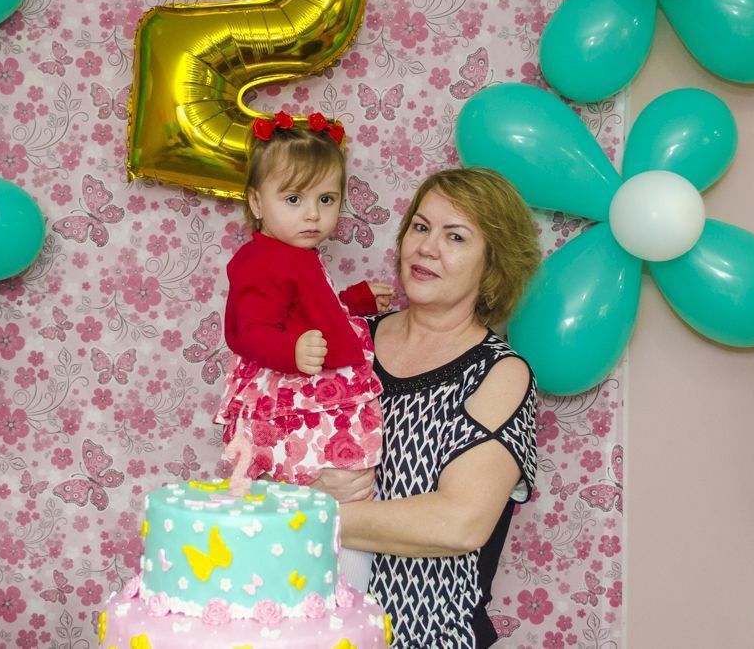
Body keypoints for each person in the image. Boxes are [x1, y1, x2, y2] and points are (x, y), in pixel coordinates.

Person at [315, 167, 542, 648]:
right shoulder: (348, 340)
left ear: (493, 265)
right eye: (420, 227)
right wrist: (304, 486)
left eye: (455, 236)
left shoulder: (501, 373)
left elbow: (459, 522)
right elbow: (271, 455)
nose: (426, 248)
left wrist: (310, 514)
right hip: (313, 630)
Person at [215, 111, 394, 494]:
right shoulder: (262, 262)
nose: (313, 214)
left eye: (326, 199)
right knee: (304, 466)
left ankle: (326, 502)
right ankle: (309, 497)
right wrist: (290, 350)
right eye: (294, 199)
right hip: (290, 387)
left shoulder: (294, 254)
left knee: (340, 473)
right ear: (257, 202)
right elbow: (252, 331)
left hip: (306, 379)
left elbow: (310, 306)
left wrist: (354, 300)